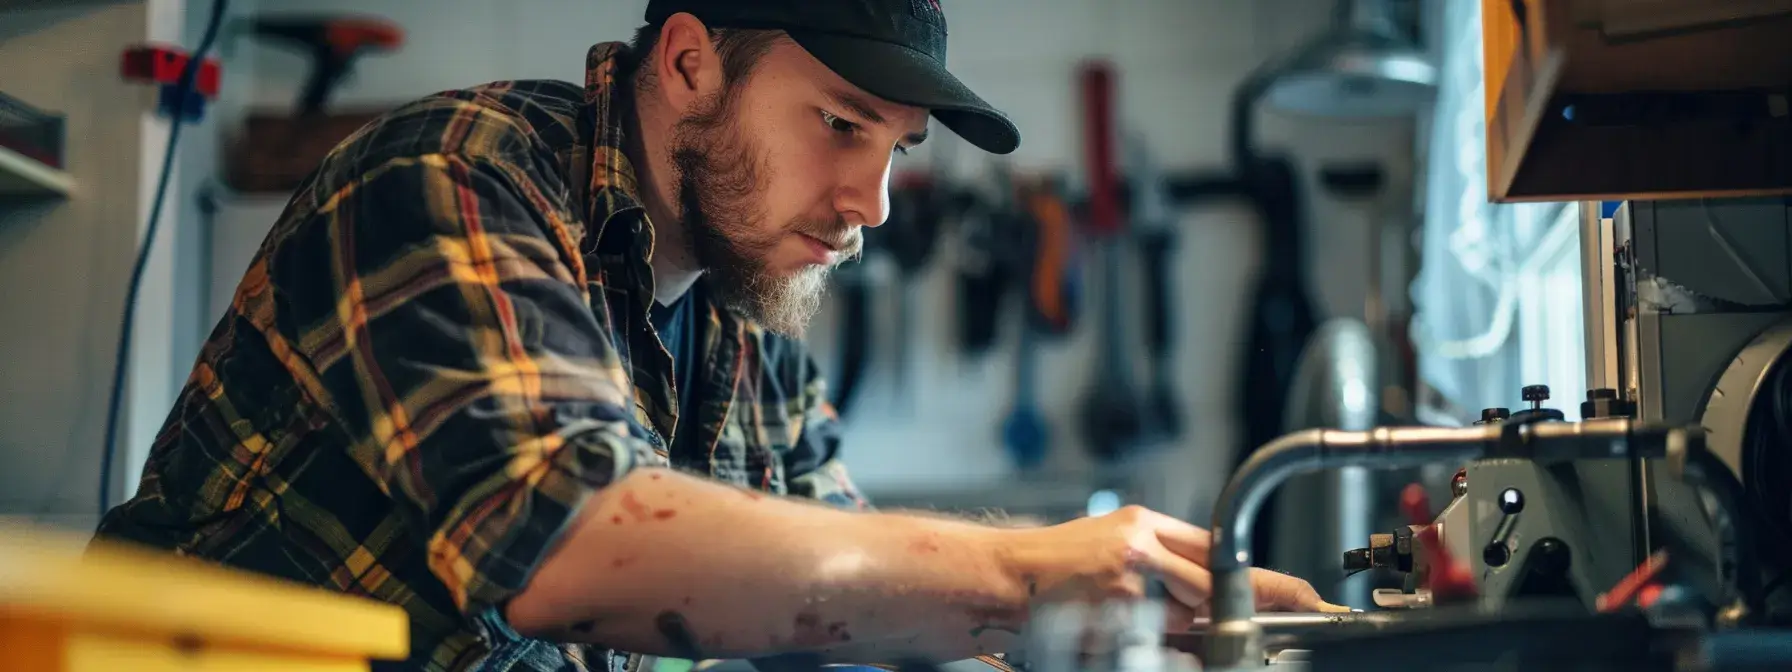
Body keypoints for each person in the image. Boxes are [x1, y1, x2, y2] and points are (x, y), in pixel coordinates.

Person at [92, 0, 1338, 670]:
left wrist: (1098, 637)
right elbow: (568, 546)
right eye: (841, 125)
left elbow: (857, 608)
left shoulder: (749, 329)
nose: (871, 208)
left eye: (896, 153)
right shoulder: (452, 179)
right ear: (687, 60)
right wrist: (1025, 572)